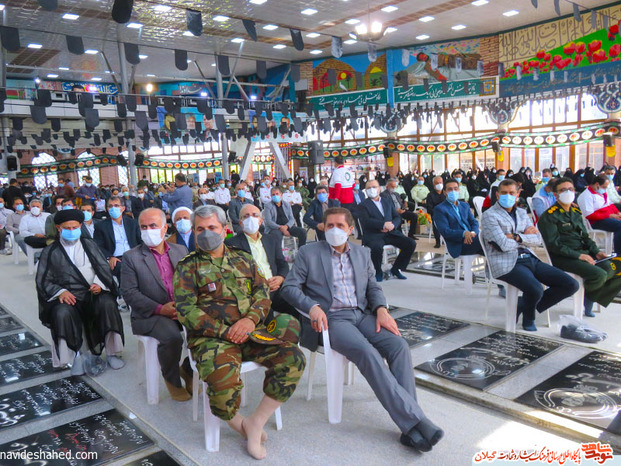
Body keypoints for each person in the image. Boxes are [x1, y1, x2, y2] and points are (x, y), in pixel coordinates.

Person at [281, 207, 443, 452]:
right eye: (330, 225)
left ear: (350, 229)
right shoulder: (308, 253)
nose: (334, 230)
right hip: (332, 319)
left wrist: (381, 309)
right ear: (323, 227)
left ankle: (410, 427)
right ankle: (416, 422)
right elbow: (289, 288)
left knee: (398, 345)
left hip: (362, 314)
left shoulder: (361, 252)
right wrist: (312, 307)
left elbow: (373, 287)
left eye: (340, 226)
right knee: (367, 352)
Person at [174, 205, 305, 460]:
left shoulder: (243, 258)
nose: (206, 233)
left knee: (292, 359)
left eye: (212, 227)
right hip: (212, 339)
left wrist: (249, 321)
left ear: (225, 229)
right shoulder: (188, 266)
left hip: (251, 331)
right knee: (222, 394)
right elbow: (186, 310)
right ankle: (241, 425)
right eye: (200, 229)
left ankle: (256, 422)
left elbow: (262, 292)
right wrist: (226, 332)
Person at [480, 179, 579, 331]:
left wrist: (516, 237)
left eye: (512, 193)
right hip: (506, 262)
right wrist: (525, 237)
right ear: (497, 195)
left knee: (571, 285)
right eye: (504, 193)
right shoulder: (489, 215)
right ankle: (529, 316)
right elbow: (503, 245)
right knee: (536, 289)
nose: (508, 196)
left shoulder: (521, 213)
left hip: (529, 257)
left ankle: (523, 305)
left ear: (517, 194)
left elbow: (538, 239)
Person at [36, 209, 125, 374]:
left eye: (75, 227)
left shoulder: (90, 245)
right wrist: (60, 292)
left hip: (93, 293)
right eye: (67, 228)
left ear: (80, 226)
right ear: (58, 228)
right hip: (67, 297)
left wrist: (99, 284)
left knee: (107, 304)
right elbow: (43, 280)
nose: (71, 231)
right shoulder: (51, 251)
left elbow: (103, 269)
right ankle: (75, 357)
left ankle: (112, 353)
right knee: (61, 313)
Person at [122, 208, 193, 401]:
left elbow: (190, 282)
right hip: (149, 314)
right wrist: (161, 309)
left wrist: (183, 306)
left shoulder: (180, 251)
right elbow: (129, 293)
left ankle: (188, 369)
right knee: (172, 337)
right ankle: (172, 379)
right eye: (143, 227)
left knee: (207, 327)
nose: (148, 230)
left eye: (153, 226)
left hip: (179, 309)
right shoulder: (131, 257)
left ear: (164, 228)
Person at [538, 177, 621, 317]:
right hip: (563, 257)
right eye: (563, 190)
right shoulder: (549, 216)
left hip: (583, 252)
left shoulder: (575, 212)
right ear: (556, 194)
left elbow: (585, 237)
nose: (568, 192)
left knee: (614, 267)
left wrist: (596, 252)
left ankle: (589, 295)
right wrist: (579, 256)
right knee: (599, 274)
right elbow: (554, 245)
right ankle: (588, 298)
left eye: (570, 189)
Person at [226, 204, 297, 317]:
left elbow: (282, 263)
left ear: (260, 221)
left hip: (276, 288)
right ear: (240, 222)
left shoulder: (271, 239)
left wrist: (281, 278)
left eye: (255, 215)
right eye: (246, 216)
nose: (251, 218)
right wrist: (262, 285)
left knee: (298, 308)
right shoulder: (231, 244)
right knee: (268, 317)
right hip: (253, 294)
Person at [358, 180, 415, 282]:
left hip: (391, 232)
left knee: (410, 243)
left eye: (374, 187)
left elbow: (397, 216)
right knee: (376, 248)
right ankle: (378, 271)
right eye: (369, 188)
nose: (372, 189)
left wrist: (393, 225)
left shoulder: (387, 201)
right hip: (374, 234)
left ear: (379, 189)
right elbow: (365, 221)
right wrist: (383, 225)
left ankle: (396, 269)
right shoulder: (363, 205)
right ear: (366, 191)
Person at [93, 196, 142, 282]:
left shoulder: (133, 223)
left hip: (134, 255)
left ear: (123, 208)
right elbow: (98, 245)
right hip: (116, 258)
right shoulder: (101, 226)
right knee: (122, 269)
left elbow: (140, 241)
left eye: (116, 205)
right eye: (110, 206)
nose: (113, 208)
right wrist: (109, 257)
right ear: (107, 209)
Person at [434, 179, 483, 258]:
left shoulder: (464, 205)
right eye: (450, 189)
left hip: (472, 239)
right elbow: (445, 231)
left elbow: (474, 222)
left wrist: (473, 233)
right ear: (444, 192)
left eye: (455, 188)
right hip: (459, 244)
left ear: (459, 190)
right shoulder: (440, 209)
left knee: (492, 244)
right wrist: (463, 233)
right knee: (488, 243)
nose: (453, 191)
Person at [577, 174, 621, 255]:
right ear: (597, 184)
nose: (605, 189)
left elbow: (610, 204)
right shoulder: (586, 196)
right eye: (604, 187)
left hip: (606, 217)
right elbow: (589, 215)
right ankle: (619, 253)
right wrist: (610, 216)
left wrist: (618, 213)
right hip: (595, 221)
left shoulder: (601, 193)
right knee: (620, 226)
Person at [425, 176, 446, 248]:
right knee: (436, 223)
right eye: (437, 183)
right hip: (436, 214)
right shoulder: (430, 195)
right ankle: (438, 241)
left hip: (446, 213)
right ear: (433, 184)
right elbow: (429, 208)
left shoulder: (446, 193)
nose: (439, 184)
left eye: (440, 182)